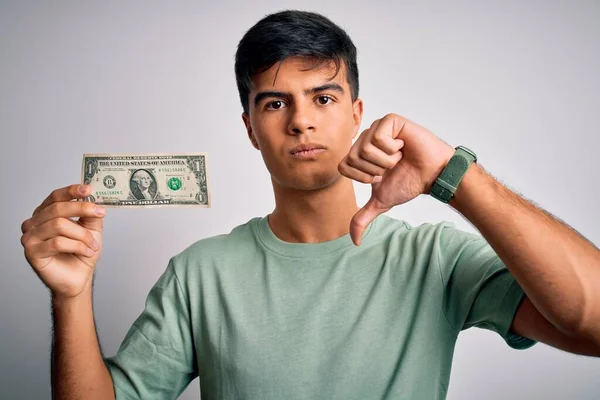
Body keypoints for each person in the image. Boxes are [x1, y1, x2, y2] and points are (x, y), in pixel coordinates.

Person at [19, 10, 600, 400]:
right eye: (275, 104)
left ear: (355, 110)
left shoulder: (436, 259)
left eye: (323, 96)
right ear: (250, 128)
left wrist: (456, 176)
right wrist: (70, 297)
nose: (301, 120)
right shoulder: (201, 274)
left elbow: (592, 324)